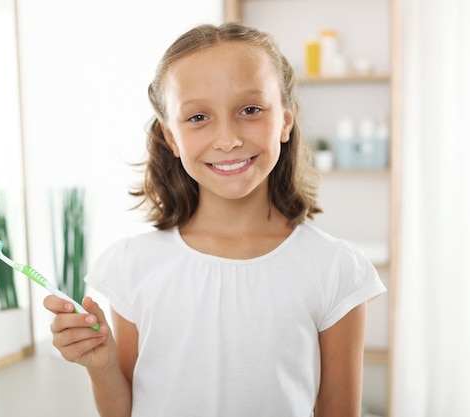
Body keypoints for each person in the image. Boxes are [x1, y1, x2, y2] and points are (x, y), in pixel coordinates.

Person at [44, 22, 386, 417]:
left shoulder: (336, 270)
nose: (227, 139)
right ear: (171, 137)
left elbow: (337, 408)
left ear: (286, 122)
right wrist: (101, 366)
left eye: (251, 110)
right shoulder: (132, 267)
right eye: (198, 117)